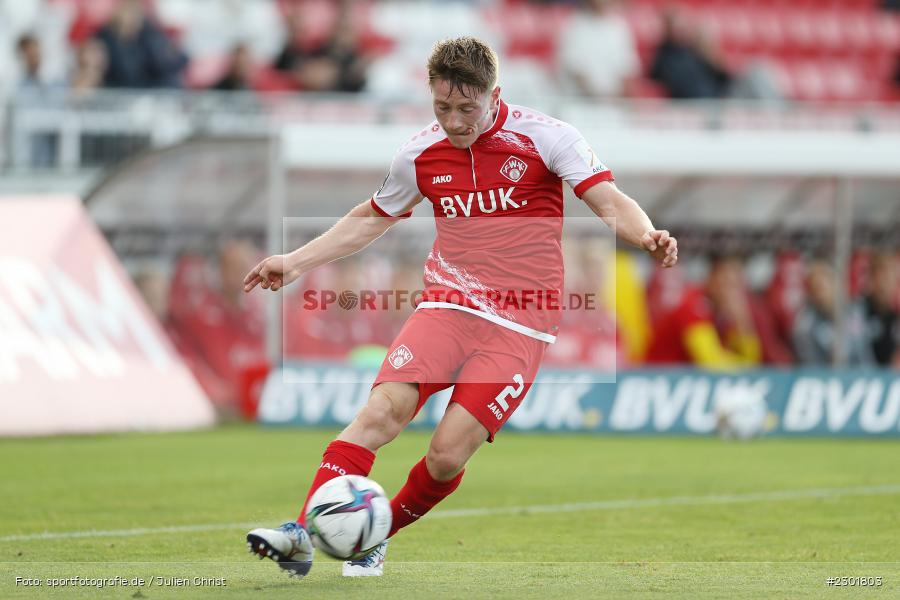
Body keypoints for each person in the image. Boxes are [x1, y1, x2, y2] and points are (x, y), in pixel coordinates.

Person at [243, 37, 677, 579]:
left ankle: (376, 535)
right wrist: (297, 260)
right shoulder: (419, 154)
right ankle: (302, 534)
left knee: (447, 456)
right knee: (380, 414)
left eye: (467, 107)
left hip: (520, 324)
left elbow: (608, 199)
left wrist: (646, 234)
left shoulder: (547, 138)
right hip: (447, 306)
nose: (454, 120)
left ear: (496, 95)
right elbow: (371, 217)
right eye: (442, 107)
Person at [646, 254, 762, 369]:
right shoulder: (692, 305)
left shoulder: (725, 315)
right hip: (656, 378)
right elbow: (710, 362)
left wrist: (742, 322)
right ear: (710, 278)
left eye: (736, 284)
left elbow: (752, 359)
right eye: (726, 282)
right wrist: (746, 368)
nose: (731, 292)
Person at [792, 259, 873, 366]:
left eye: (821, 288)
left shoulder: (855, 313)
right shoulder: (805, 325)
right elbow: (811, 366)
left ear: (835, 285)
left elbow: (864, 355)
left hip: (858, 377)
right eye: (814, 290)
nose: (819, 295)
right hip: (825, 378)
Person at [94, 0, 188, 88]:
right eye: (127, 12)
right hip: (118, 87)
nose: (130, 18)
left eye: (134, 13)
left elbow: (165, 62)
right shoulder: (106, 36)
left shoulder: (148, 35)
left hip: (147, 87)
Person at [556, 0, 640, 98]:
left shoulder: (619, 26)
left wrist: (617, 97)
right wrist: (598, 97)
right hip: (579, 101)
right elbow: (574, 69)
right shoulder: (574, 26)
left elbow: (627, 70)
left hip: (614, 102)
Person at [861, 253, 899, 366]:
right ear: (872, 278)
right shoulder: (858, 312)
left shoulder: (895, 317)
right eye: (883, 276)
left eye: (891, 277)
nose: (886, 283)